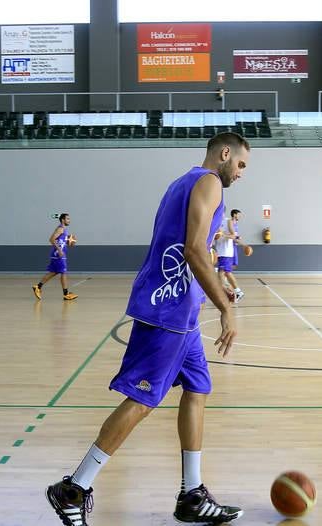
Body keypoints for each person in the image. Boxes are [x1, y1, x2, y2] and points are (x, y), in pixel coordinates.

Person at [45, 132, 250, 526]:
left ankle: (192, 494)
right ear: (225, 154)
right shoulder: (208, 182)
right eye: (240, 164)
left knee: (198, 388)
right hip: (167, 310)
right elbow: (192, 249)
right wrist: (226, 307)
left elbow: (194, 248)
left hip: (181, 311)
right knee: (142, 401)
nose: (241, 173)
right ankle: (74, 488)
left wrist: (216, 287)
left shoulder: (184, 181)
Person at [33, 213, 78, 301]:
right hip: (59, 254)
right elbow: (51, 239)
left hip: (59, 254)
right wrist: (60, 250)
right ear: (63, 220)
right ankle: (66, 294)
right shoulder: (60, 229)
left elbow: (60, 241)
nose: (69, 220)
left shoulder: (64, 229)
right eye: (67, 219)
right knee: (63, 273)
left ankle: (38, 287)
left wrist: (69, 241)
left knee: (54, 272)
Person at [215, 209, 244, 303]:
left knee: (221, 273)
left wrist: (222, 234)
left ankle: (227, 293)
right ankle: (235, 292)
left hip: (226, 252)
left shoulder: (228, 221)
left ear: (222, 212)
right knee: (225, 273)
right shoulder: (215, 222)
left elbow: (233, 235)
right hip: (219, 251)